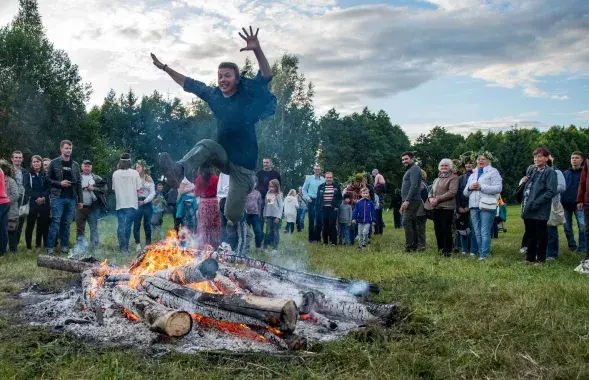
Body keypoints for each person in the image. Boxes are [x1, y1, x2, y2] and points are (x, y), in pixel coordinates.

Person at [154, 26, 277, 229]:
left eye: (227, 75)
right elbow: (189, 83)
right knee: (207, 144)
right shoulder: (214, 96)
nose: (222, 80)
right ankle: (179, 169)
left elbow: (266, 74)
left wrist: (257, 49)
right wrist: (165, 68)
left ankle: (238, 215)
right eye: (220, 76)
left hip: (243, 168)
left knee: (232, 215)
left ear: (237, 79)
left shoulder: (246, 94)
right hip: (223, 157)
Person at [463, 152, 502, 261]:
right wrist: (470, 187)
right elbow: (465, 193)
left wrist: (481, 187)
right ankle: (481, 253)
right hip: (473, 206)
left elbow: (498, 188)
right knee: (477, 231)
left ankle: (484, 255)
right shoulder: (472, 174)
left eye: (483, 159)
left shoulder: (493, 172)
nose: (480, 161)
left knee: (484, 231)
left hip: (487, 205)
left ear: (488, 160)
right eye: (479, 159)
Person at [521, 148, 557, 264]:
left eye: (540, 156)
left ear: (547, 158)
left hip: (540, 208)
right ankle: (529, 258)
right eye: (535, 156)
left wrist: (537, 202)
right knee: (530, 234)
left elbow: (551, 191)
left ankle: (541, 259)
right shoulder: (531, 170)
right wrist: (523, 181)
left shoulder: (550, 172)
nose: (537, 159)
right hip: (528, 206)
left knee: (541, 235)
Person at [46, 141, 83, 254]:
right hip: (58, 197)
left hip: (71, 198)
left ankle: (64, 247)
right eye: (66, 148)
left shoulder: (75, 165)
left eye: (70, 148)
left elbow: (78, 184)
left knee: (66, 223)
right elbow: (47, 179)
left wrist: (80, 200)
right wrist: (59, 183)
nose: (68, 150)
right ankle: (50, 247)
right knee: (56, 222)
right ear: (61, 149)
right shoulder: (54, 163)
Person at [72, 160, 108, 256]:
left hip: (93, 207)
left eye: (89, 166)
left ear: (91, 168)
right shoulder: (77, 177)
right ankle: (80, 247)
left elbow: (105, 189)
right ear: (82, 167)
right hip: (80, 207)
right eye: (85, 166)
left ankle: (95, 246)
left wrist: (94, 188)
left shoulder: (96, 178)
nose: (87, 168)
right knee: (80, 228)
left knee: (93, 228)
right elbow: (72, 189)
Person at [428, 159, 459, 256]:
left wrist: (437, 199)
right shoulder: (437, 179)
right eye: (442, 166)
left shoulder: (454, 178)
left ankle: (447, 251)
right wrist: (430, 199)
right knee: (438, 229)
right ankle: (440, 249)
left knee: (446, 230)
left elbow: (452, 192)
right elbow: (431, 191)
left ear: (450, 167)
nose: (444, 167)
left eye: (446, 165)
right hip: (436, 207)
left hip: (447, 208)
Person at [112, 153, 142, 253]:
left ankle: (122, 247)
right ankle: (126, 247)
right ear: (130, 162)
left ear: (120, 162)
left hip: (120, 204)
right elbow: (139, 189)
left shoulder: (115, 174)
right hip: (131, 204)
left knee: (121, 225)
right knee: (128, 226)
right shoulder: (135, 173)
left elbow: (114, 189)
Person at [24, 155, 50, 252]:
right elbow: (27, 189)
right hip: (33, 203)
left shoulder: (45, 174)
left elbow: (48, 188)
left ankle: (45, 245)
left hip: (44, 203)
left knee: (44, 225)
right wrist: (37, 198)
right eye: (34, 162)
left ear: (41, 163)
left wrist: (43, 197)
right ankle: (29, 247)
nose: (36, 163)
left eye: (38, 161)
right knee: (30, 225)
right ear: (31, 163)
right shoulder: (28, 174)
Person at [563, 152, 586, 254]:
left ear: (582, 160)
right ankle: (572, 246)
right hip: (565, 205)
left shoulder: (585, 173)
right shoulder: (565, 173)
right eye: (572, 158)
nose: (574, 160)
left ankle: (582, 247)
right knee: (567, 227)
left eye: (577, 158)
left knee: (582, 226)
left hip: (579, 205)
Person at [400, 152, 423, 252]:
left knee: (406, 222)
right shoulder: (410, 169)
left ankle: (409, 247)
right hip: (409, 200)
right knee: (412, 223)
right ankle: (414, 245)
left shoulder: (414, 168)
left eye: (406, 159)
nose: (404, 161)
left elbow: (414, 186)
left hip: (413, 200)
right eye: (403, 159)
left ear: (412, 159)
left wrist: (407, 200)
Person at [194, 165, 221, 248]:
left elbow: (196, 194)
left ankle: (203, 246)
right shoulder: (216, 178)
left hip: (203, 203)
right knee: (214, 226)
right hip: (214, 202)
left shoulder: (198, 179)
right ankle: (215, 246)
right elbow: (219, 191)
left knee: (203, 226)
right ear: (211, 169)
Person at [546, 156, 566, 260]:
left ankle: (551, 254)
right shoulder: (538, 172)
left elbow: (562, 187)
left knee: (551, 228)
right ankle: (541, 251)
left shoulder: (557, 172)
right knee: (540, 229)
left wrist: (547, 191)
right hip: (540, 204)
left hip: (552, 204)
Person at [133, 160, 155, 252]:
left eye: (139, 167)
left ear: (143, 168)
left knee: (147, 224)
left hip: (147, 204)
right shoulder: (133, 178)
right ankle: (137, 244)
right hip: (136, 203)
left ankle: (147, 245)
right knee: (136, 224)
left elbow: (152, 193)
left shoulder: (149, 179)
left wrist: (145, 201)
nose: (137, 169)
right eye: (136, 167)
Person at [315, 172, 342, 245]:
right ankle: (325, 242)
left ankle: (334, 242)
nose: (329, 179)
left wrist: (337, 206)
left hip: (333, 209)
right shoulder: (320, 187)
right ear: (325, 178)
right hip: (323, 208)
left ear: (332, 178)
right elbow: (318, 199)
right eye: (327, 177)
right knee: (325, 225)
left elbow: (340, 198)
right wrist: (317, 209)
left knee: (332, 224)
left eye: (330, 177)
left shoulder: (336, 186)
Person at [256, 158, 281, 233]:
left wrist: (279, 194)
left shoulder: (276, 174)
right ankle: (260, 235)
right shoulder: (259, 173)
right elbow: (255, 185)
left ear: (271, 163)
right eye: (264, 162)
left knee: (270, 218)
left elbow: (279, 185)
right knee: (260, 218)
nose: (265, 164)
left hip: (272, 198)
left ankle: (270, 236)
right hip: (261, 198)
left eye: (267, 162)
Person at [456, 155, 475, 255]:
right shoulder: (460, 178)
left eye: (471, 163)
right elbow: (457, 193)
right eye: (467, 163)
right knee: (463, 229)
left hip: (473, 206)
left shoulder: (478, 176)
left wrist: (468, 206)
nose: (468, 164)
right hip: (461, 208)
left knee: (473, 229)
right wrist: (459, 207)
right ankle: (464, 249)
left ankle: (472, 248)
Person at [302, 165, 325, 243]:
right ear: (314, 170)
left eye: (318, 169)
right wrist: (308, 198)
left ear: (320, 170)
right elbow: (304, 190)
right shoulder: (309, 178)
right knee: (311, 219)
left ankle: (318, 238)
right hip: (312, 200)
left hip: (320, 201)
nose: (317, 171)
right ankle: (311, 238)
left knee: (319, 219)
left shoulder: (323, 179)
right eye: (316, 169)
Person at [0, 161, 20, 254]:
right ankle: (4, 249)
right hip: (5, 205)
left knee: (11, 230)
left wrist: (7, 201)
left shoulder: (11, 181)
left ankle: (13, 250)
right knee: (4, 229)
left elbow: (15, 195)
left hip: (10, 209)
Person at [11, 151, 28, 249]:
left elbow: (28, 186)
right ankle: (11, 245)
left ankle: (16, 245)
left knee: (20, 223)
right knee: (11, 222)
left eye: (20, 157)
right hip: (12, 200)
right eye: (16, 157)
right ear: (12, 159)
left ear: (22, 159)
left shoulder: (25, 171)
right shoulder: (7, 171)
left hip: (23, 199)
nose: (18, 159)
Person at [263, 179, 283, 249]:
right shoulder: (267, 194)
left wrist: (278, 217)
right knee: (268, 231)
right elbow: (266, 205)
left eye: (273, 187)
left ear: (276, 187)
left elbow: (281, 206)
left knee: (275, 231)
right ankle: (265, 245)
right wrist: (265, 215)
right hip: (269, 215)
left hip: (276, 216)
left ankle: (275, 247)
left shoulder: (278, 195)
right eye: (270, 186)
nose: (271, 188)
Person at [577, 155, 589, 262]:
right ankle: (588, 255)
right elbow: (583, 181)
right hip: (587, 201)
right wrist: (580, 199)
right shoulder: (587, 161)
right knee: (587, 229)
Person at [245, 184, 264, 249]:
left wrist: (259, 214)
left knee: (258, 231)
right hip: (246, 215)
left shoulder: (258, 193)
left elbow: (259, 204)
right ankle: (246, 247)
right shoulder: (245, 191)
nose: (253, 184)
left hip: (255, 215)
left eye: (254, 182)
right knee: (245, 232)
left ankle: (258, 247)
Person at [0, 163, 11, 257]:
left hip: (1, 202)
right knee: (3, 228)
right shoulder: (0, 170)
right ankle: (3, 252)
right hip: (4, 202)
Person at [217, 173, 230, 243]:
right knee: (230, 225)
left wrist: (218, 200)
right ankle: (227, 245)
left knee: (224, 225)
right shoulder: (232, 171)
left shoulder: (222, 172)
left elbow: (219, 187)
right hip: (228, 199)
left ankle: (223, 244)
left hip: (222, 199)